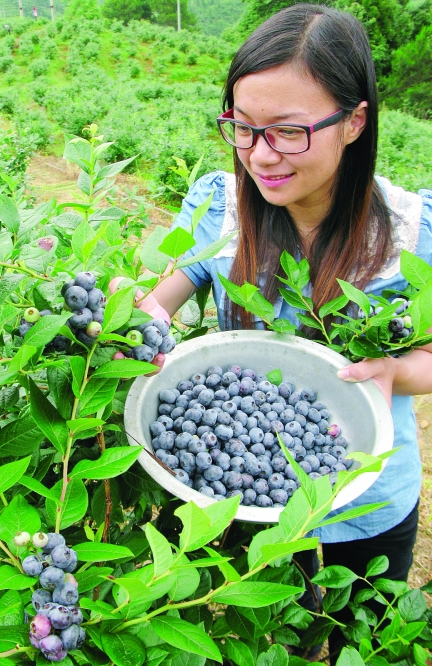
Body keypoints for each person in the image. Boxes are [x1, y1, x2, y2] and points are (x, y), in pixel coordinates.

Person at [112, 3, 432, 661]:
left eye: (287, 131)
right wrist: (139, 321)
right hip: (228, 501)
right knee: (255, 632)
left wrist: (396, 372)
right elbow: (163, 297)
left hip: (360, 505)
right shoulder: (219, 207)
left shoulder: (410, 234)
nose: (260, 156)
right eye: (243, 127)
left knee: (351, 642)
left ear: (354, 122)